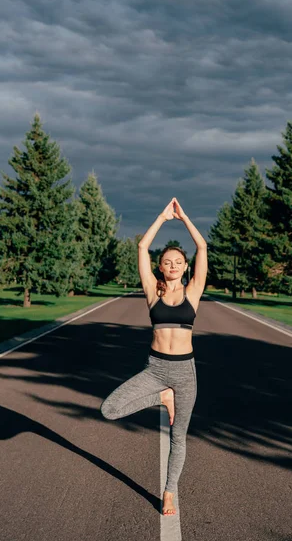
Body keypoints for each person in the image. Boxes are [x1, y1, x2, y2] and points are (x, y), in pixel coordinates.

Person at [100, 197, 208, 516]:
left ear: (185, 267)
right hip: (156, 370)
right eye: (167, 261)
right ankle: (161, 398)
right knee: (110, 409)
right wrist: (162, 218)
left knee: (179, 436)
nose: (172, 265)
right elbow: (141, 247)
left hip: (185, 372)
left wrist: (185, 217)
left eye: (178, 261)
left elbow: (202, 248)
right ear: (160, 266)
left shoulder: (193, 292)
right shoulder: (153, 291)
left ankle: (170, 492)